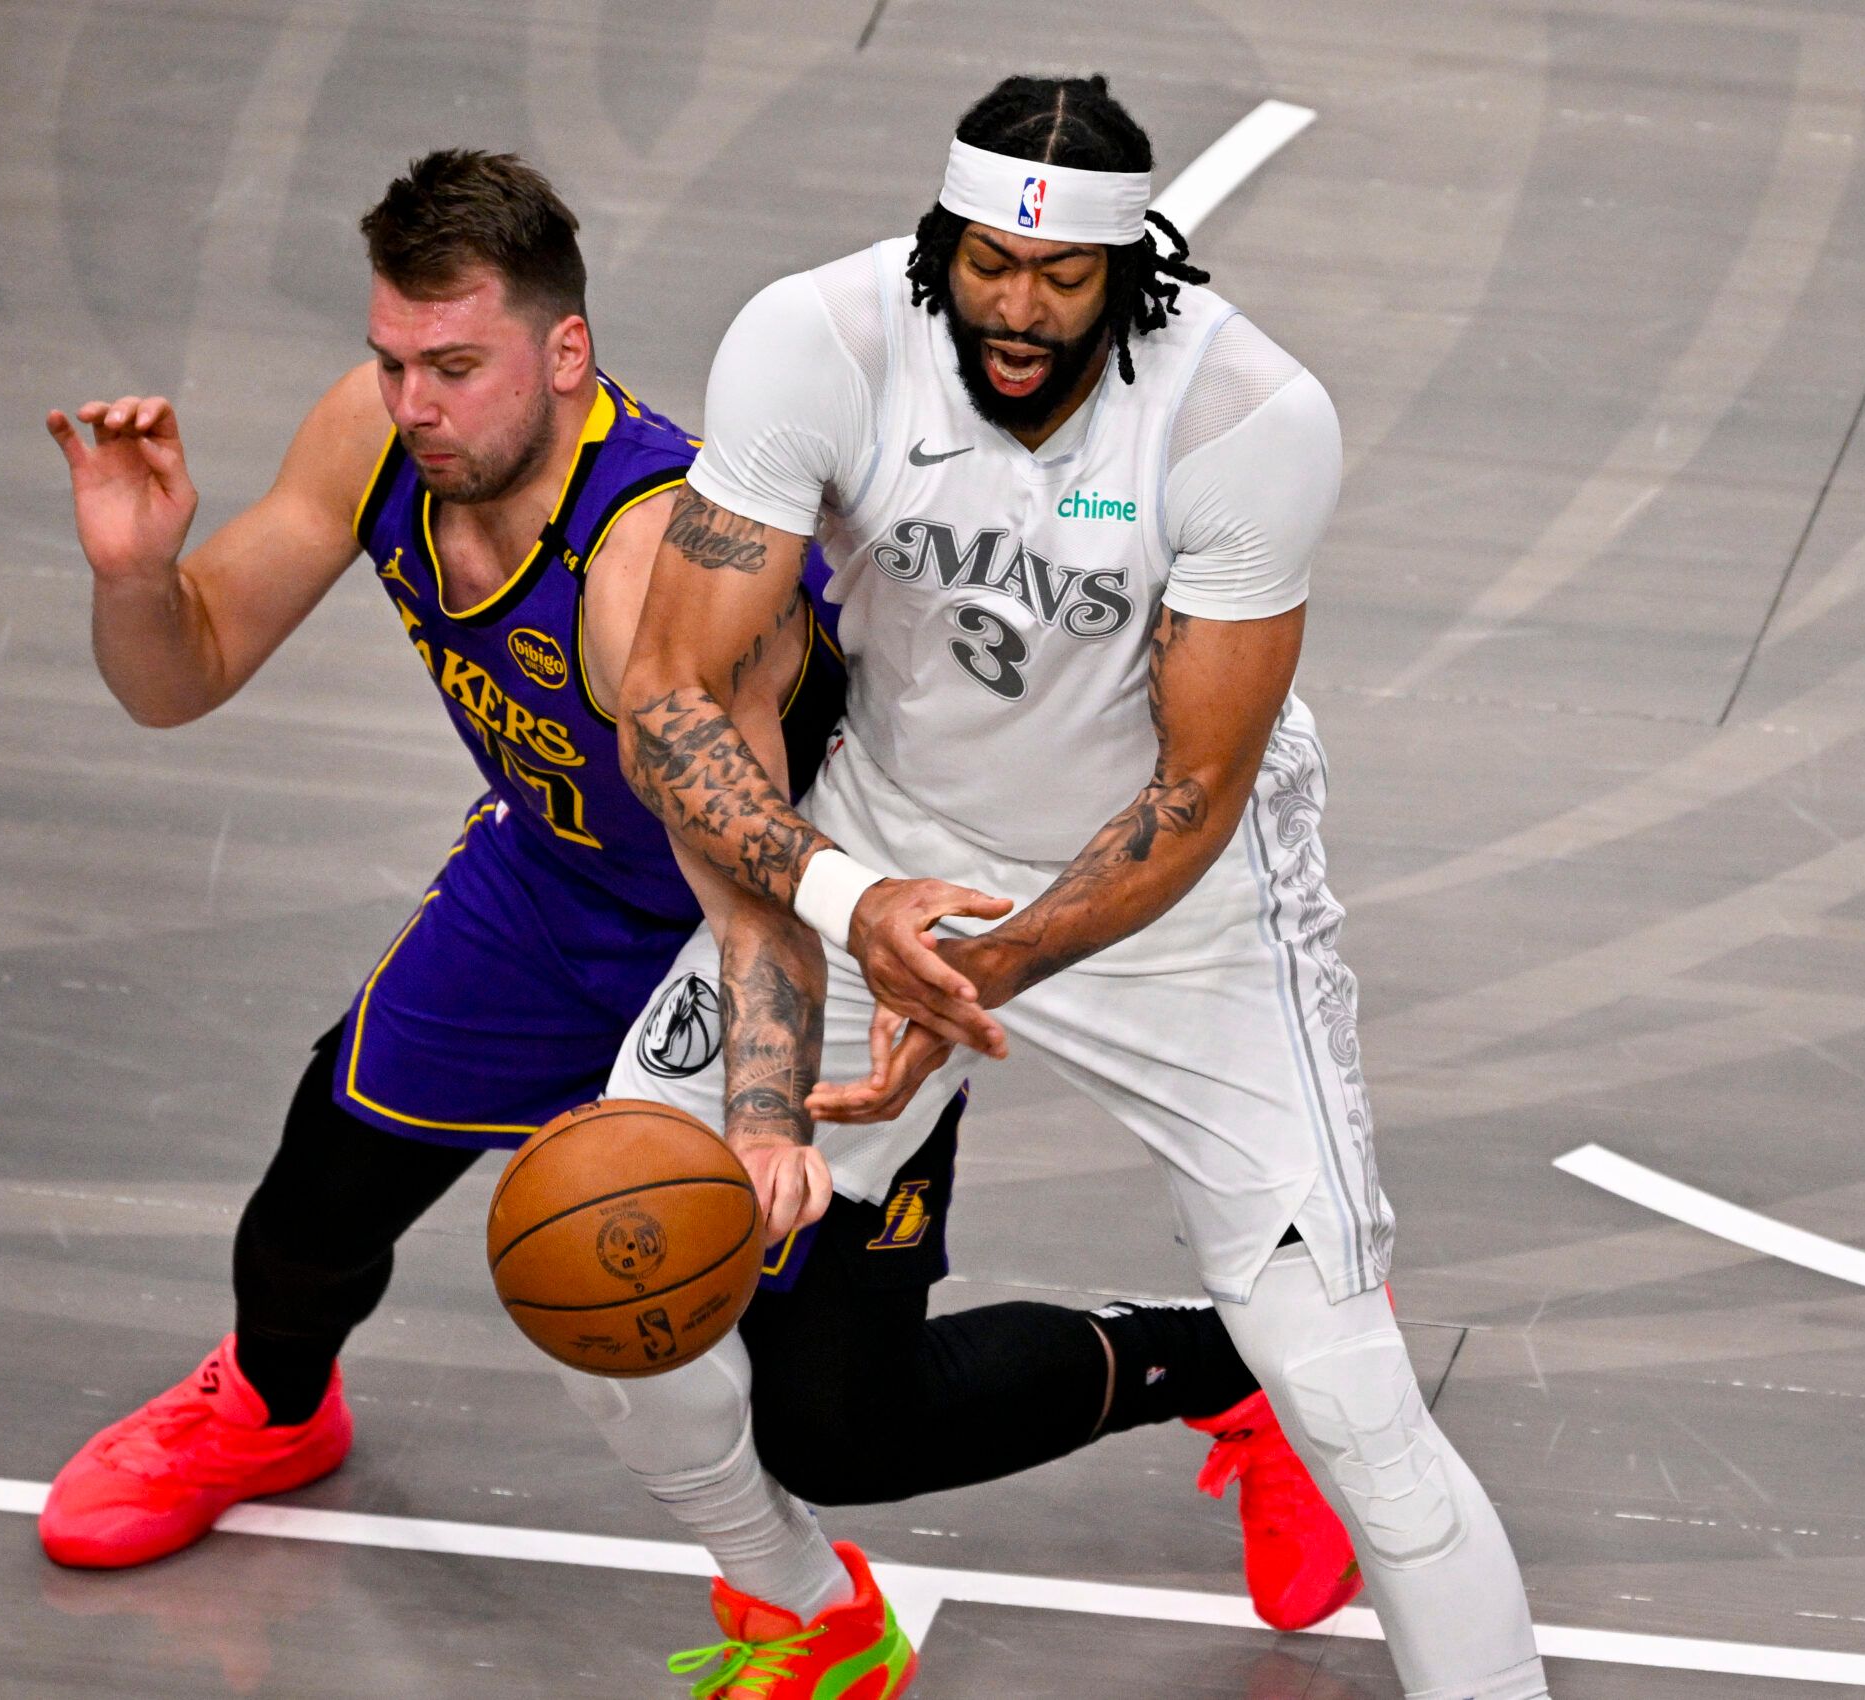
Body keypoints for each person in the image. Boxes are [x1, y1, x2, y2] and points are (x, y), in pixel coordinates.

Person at [35, 148, 1356, 1644]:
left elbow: (752, 901)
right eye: (393, 359)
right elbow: (182, 676)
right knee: (311, 1201)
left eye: (456, 367)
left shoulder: (644, 558)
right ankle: (275, 1412)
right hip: (546, 890)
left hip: (774, 939)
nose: (415, 403)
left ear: (566, 352)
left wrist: (761, 1115)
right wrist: (138, 579)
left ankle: (1237, 1373)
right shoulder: (377, 438)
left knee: (845, 1429)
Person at [585, 75, 1553, 1700]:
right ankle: (801, 1604)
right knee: (612, 1256)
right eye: (983, 266)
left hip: (1184, 915)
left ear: (1133, 273)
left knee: (1358, 1412)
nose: (1014, 309)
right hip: (887, 848)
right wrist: (833, 945)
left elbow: (1194, 795)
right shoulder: (815, 342)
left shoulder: (1243, 416)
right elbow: (676, 700)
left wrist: (975, 973)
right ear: (940, 244)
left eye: (1059, 279)